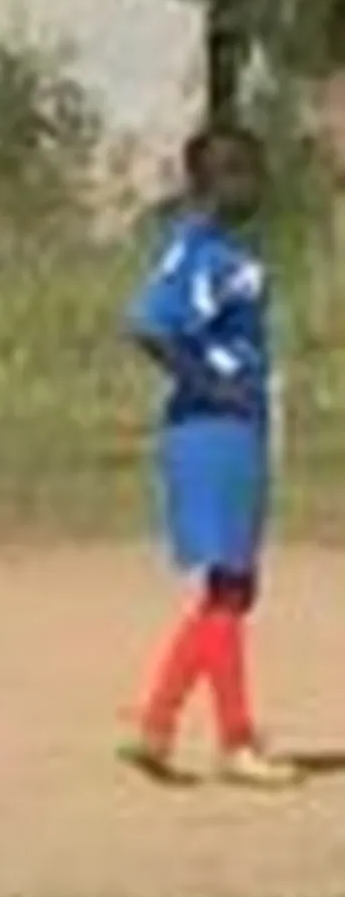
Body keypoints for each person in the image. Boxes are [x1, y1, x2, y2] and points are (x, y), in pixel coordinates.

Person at [118, 123, 301, 789]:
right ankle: (236, 739)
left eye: (252, 172)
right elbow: (147, 324)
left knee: (233, 586)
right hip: (215, 430)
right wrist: (210, 386)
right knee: (228, 586)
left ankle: (158, 726)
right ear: (203, 183)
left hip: (235, 424)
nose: (250, 186)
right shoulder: (198, 252)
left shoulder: (224, 251)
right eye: (235, 174)